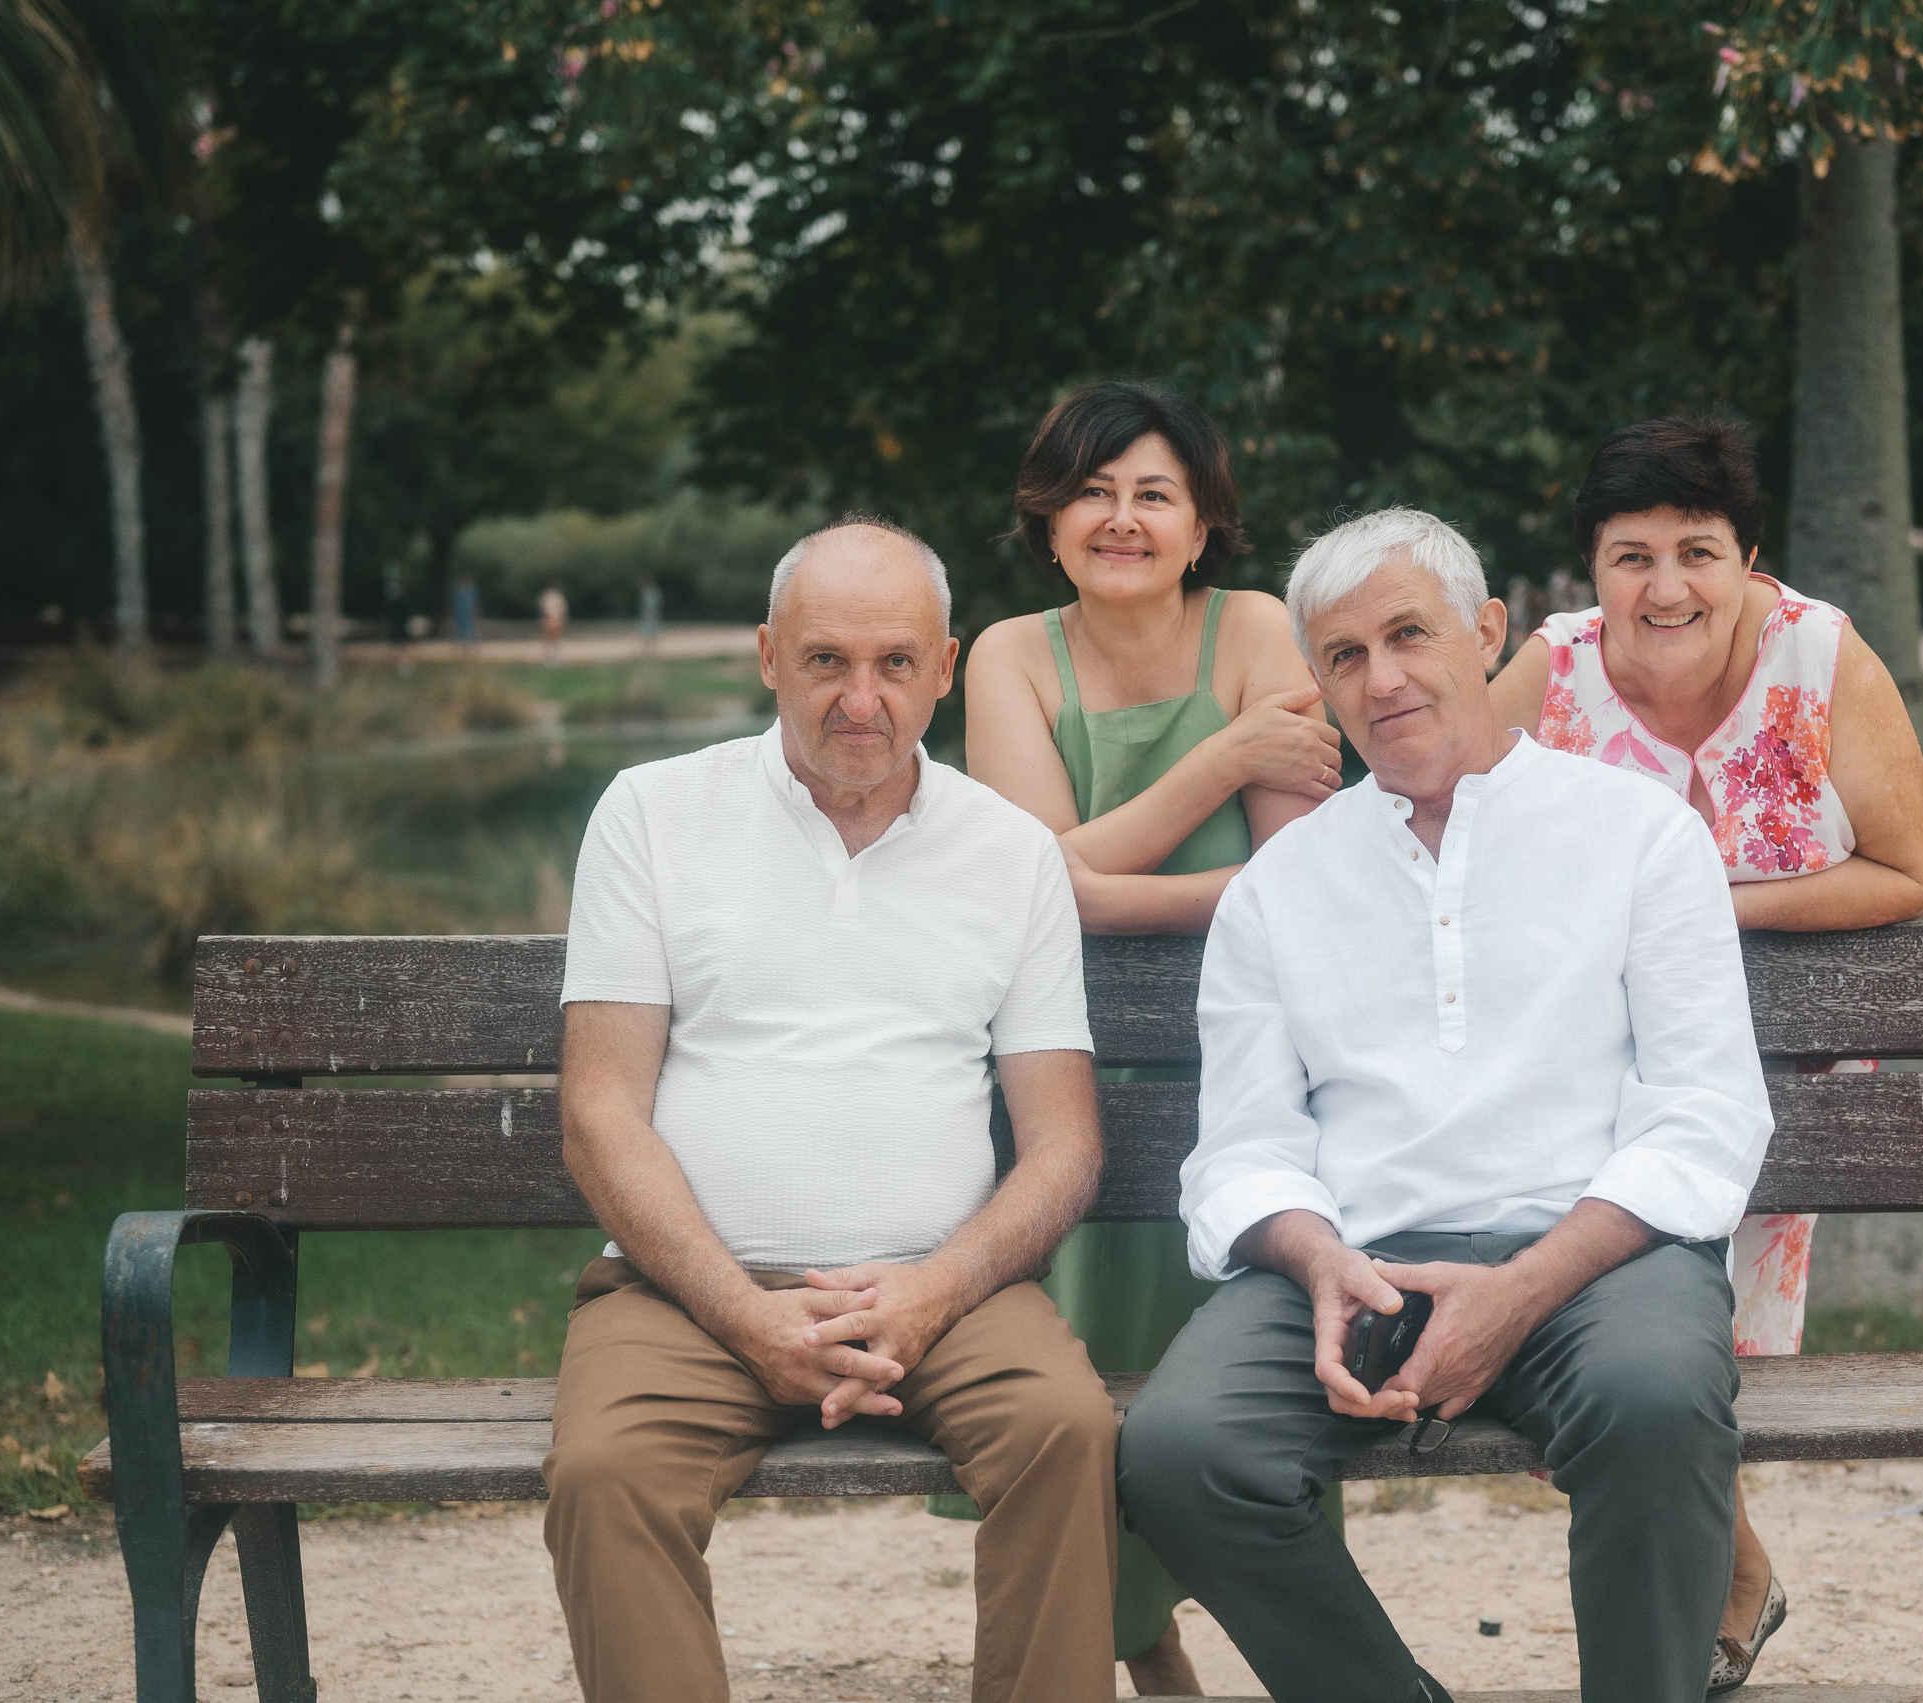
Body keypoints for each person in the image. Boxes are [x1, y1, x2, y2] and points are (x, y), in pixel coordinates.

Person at [1119, 508, 1775, 1703]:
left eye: (1409, 634)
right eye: (1345, 656)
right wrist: (1317, 1260)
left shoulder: (1638, 835)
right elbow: (1244, 1148)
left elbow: (1705, 1111)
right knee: (1181, 1450)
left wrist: (1524, 1287)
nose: (1383, 679)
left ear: (1486, 631)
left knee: (1654, 1400)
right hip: (1357, 1267)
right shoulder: (1280, 886)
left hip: (1600, 1257)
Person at [547, 517, 1120, 1703]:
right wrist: (747, 1316)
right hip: (690, 1290)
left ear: (945, 668)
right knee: (605, 1472)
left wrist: (932, 1290)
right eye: (826, 660)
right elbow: (599, 1112)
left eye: (896, 663)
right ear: (767, 655)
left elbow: (1064, 1146)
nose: (862, 699)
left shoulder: (1011, 853)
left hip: (946, 1292)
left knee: (1069, 1431)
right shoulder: (652, 813)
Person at [1491, 415, 1923, 1692]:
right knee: (1554, 1325)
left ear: (1750, 555)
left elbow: (1907, 871)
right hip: (1574, 1078)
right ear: (1590, 566)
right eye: (1631, 554)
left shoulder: (1818, 658)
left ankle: (1705, 1601)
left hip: (1777, 1080)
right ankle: (1730, 1578)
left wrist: (1702, 902)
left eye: (1698, 550)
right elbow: (1446, 842)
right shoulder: (1546, 676)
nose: (1666, 586)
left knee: (1674, 1361)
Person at [961, 381, 1340, 1695]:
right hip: (1062, 1080)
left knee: (1245, 1398)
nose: (1120, 517)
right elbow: (1029, 887)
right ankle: (1139, 1638)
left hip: (1246, 1083)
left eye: (1153, 493)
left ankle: (1301, 1654)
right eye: (1093, 491)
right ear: (1050, 518)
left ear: (1201, 523)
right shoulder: (1010, 652)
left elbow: (1297, 885)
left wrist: (1096, 884)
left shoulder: (1257, 625)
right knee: (1078, 1392)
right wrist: (1230, 755)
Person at [538, 580, 569, 662]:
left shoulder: (557, 596)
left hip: (555, 619)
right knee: (549, 640)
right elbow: (544, 610)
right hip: (550, 619)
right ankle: (549, 657)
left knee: (555, 640)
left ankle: (555, 657)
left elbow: (562, 610)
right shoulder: (547, 596)